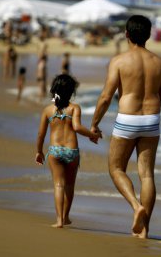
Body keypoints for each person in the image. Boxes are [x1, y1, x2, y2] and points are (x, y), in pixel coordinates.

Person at [90, 15, 161, 239]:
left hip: (127, 118)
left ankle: (136, 206)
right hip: (151, 120)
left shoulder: (118, 61)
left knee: (116, 169)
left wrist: (95, 123)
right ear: (148, 35)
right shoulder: (160, 64)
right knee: (147, 175)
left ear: (126, 34)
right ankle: (144, 229)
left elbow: (106, 96)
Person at [35, 74, 101, 228]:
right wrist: (93, 135)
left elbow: (40, 134)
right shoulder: (74, 108)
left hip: (55, 151)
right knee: (70, 186)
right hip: (72, 151)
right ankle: (66, 217)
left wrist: (39, 151)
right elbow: (77, 127)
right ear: (71, 92)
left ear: (54, 90)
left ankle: (58, 221)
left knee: (58, 185)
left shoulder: (48, 110)